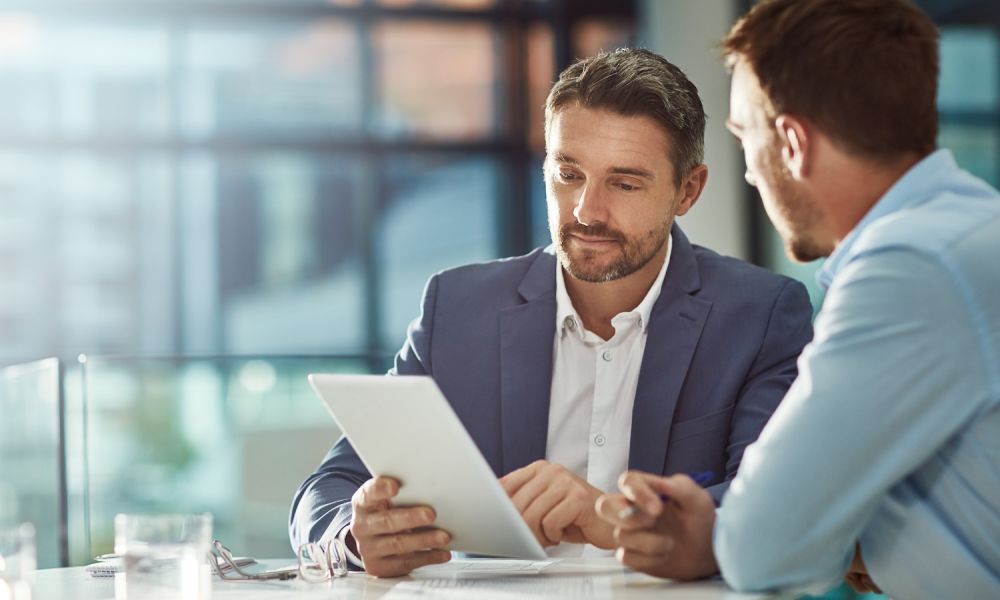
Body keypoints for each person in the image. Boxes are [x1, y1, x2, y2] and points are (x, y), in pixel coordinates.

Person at [290, 48, 813, 577]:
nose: (587, 211)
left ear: (688, 190)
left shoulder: (761, 315)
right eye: (568, 174)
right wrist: (355, 535)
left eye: (625, 184)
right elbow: (327, 490)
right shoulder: (458, 309)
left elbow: (776, 505)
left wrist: (608, 516)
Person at [595, 1, 1000, 598]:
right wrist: (851, 541)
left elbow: (764, 547)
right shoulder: (963, 232)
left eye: (744, 139)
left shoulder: (910, 265)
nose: (751, 174)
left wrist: (721, 534)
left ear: (791, 142)